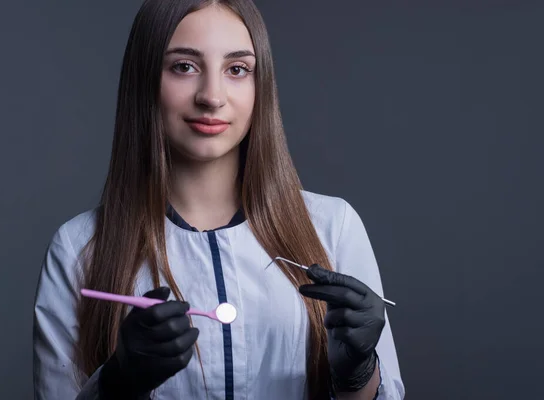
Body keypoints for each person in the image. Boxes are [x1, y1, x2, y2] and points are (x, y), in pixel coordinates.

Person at [32, 0, 405, 399]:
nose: (212, 96)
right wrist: (119, 384)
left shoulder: (333, 227)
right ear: (144, 79)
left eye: (237, 69)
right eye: (184, 66)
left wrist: (356, 373)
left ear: (261, 85)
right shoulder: (79, 247)